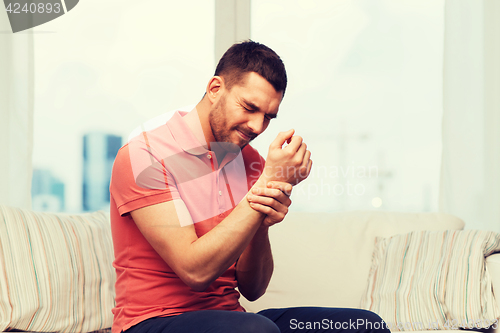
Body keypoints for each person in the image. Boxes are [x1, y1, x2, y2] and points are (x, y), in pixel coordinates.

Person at [109, 40, 390, 333]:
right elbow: (195, 271)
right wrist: (266, 183)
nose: (257, 126)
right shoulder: (145, 155)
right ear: (215, 89)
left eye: (268, 116)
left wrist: (262, 220)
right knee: (255, 330)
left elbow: (253, 289)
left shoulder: (249, 161)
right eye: (249, 107)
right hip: (152, 321)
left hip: (233, 319)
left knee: (364, 325)